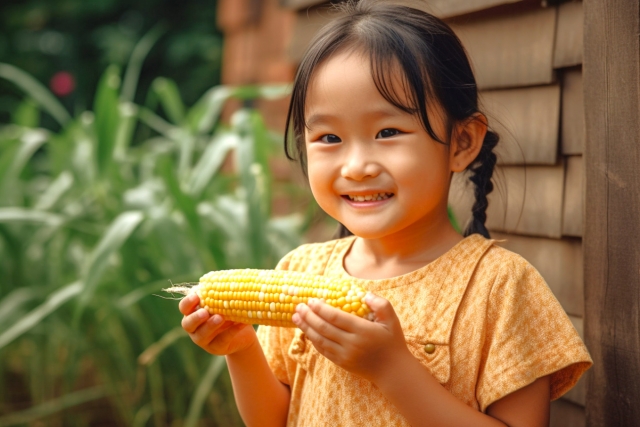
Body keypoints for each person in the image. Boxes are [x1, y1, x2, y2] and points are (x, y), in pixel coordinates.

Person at [178, 1, 592, 426]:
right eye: (329, 137)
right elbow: (275, 419)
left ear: (462, 142)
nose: (357, 166)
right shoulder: (300, 270)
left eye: (388, 132)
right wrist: (242, 350)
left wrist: (392, 369)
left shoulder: (500, 287)